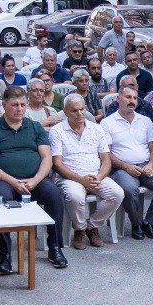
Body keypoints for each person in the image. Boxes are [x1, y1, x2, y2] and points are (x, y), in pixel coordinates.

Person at [0, 86, 70, 274]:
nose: (19, 109)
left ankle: (55, 248)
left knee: (53, 193)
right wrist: (13, 181)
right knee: (1, 197)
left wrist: (36, 179)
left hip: (33, 180)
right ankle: (5, 254)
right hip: (3, 180)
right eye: (14, 105)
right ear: (4, 105)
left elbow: (46, 157)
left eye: (22, 105)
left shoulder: (34, 127)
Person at [50, 95, 124, 248]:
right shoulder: (57, 131)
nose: (80, 114)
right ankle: (79, 229)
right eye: (74, 110)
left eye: (82, 109)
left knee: (117, 193)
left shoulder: (96, 129)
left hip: (96, 175)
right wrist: (81, 180)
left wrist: (99, 177)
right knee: (75, 196)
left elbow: (106, 159)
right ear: (65, 112)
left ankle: (92, 226)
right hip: (69, 177)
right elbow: (57, 165)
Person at [103, 86, 153, 241]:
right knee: (129, 188)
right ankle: (136, 224)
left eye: (135, 98)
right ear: (118, 99)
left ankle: (150, 222)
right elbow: (106, 154)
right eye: (128, 97)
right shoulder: (107, 123)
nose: (132, 101)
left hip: (145, 165)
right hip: (120, 168)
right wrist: (126, 166)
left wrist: (151, 164)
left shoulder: (145, 121)